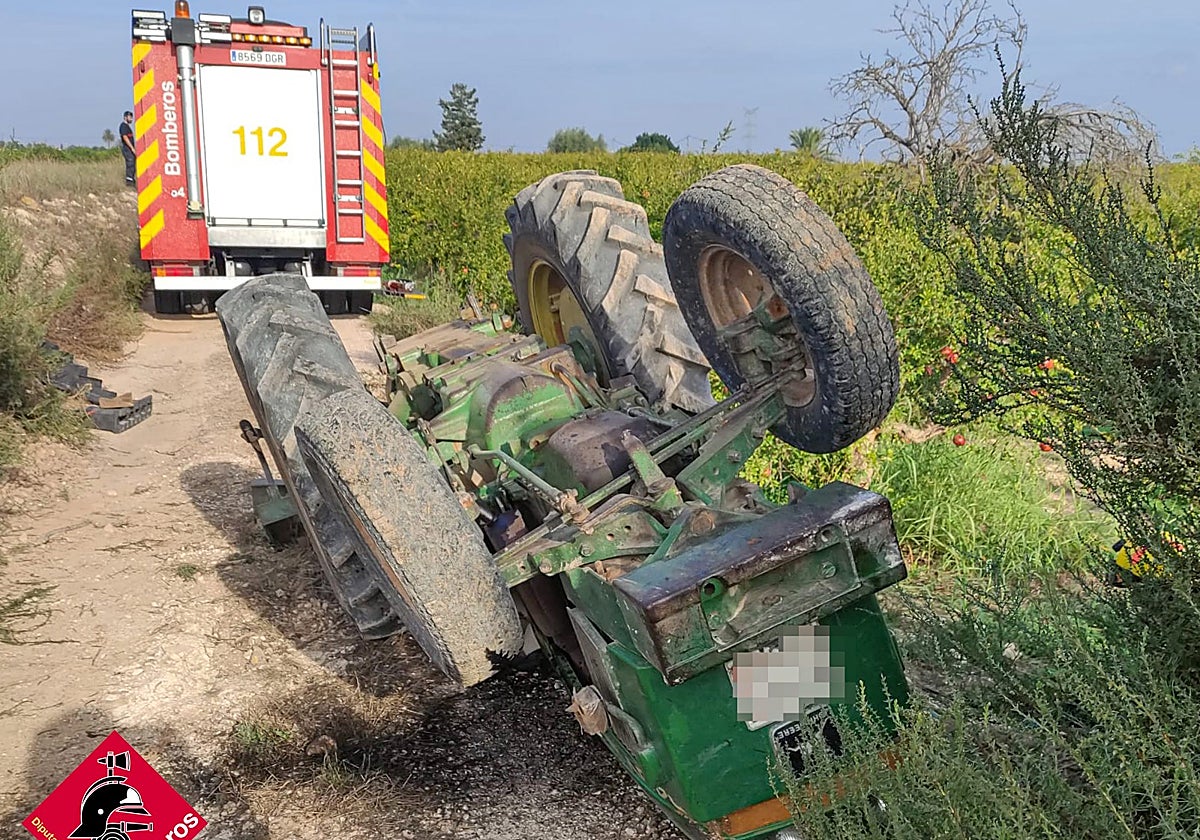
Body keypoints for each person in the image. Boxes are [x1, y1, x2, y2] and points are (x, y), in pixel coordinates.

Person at [119, 111, 135, 186]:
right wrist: (132, 148)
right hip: (127, 149)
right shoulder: (123, 126)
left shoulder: (128, 127)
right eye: (130, 117)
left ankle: (132, 179)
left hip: (130, 149)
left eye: (132, 117)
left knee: (133, 164)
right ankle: (129, 182)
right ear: (125, 117)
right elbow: (125, 137)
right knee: (130, 164)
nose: (131, 119)